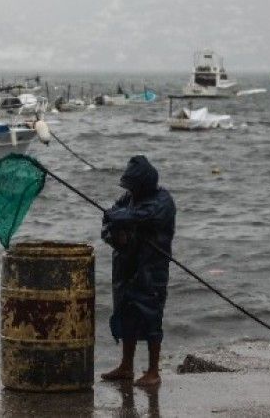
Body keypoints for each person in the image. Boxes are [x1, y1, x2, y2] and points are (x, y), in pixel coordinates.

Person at [100, 155, 176, 387]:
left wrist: (115, 218)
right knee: (126, 314)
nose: (130, 191)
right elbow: (109, 219)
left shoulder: (162, 201)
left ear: (145, 183)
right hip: (126, 267)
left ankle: (153, 371)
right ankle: (126, 366)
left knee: (152, 316)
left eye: (134, 186)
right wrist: (115, 235)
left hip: (151, 269)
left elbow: (139, 216)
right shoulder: (129, 198)